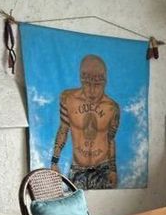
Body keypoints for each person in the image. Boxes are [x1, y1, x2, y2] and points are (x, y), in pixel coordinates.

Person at [50, 54, 120, 189]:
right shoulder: (68, 99)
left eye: (97, 85)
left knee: (105, 201)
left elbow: (110, 139)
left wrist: (113, 169)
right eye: (87, 84)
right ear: (81, 80)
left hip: (103, 169)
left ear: (105, 82)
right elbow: (63, 130)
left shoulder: (112, 108)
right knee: (74, 201)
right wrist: (54, 162)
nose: (92, 91)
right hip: (77, 168)